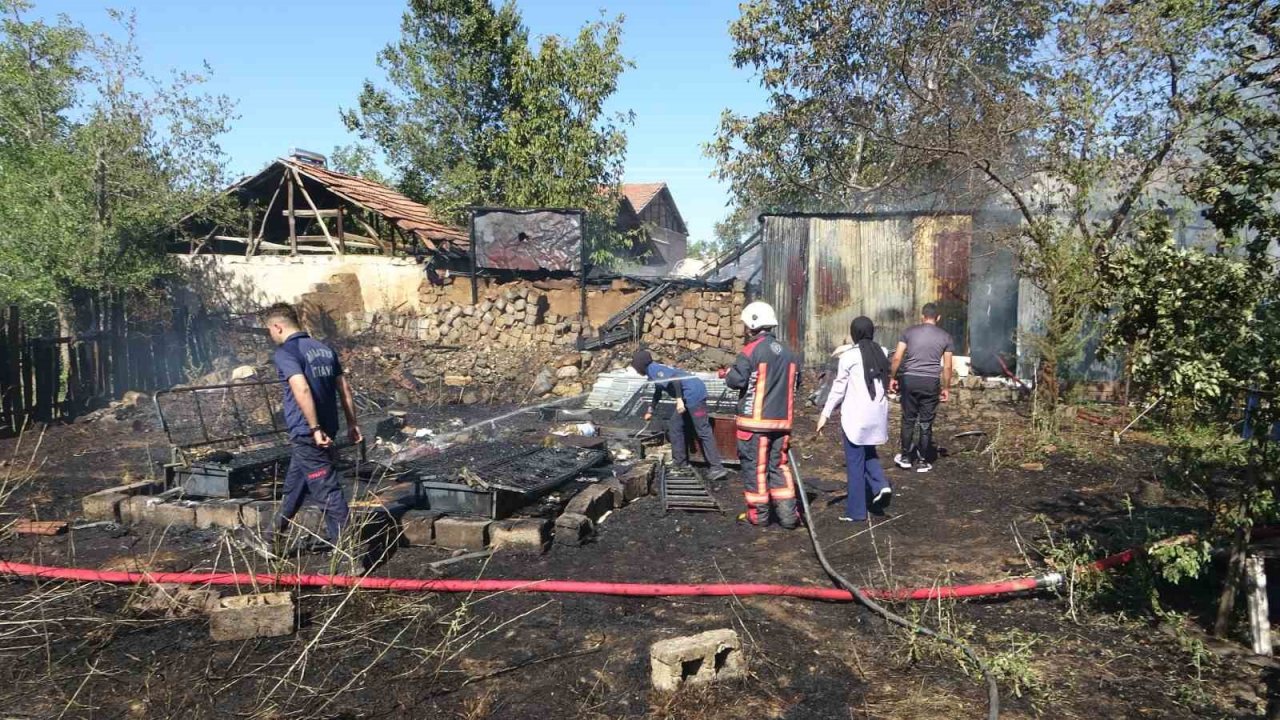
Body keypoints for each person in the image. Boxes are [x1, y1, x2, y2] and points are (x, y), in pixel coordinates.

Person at [261, 302, 363, 550]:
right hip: (327, 430)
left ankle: (348, 556)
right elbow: (344, 389)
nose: (271, 336)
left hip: (309, 433)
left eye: (270, 331)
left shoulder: (287, 352)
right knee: (296, 483)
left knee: (326, 489)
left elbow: (301, 387)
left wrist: (314, 428)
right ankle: (270, 537)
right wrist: (352, 424)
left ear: (277, 326)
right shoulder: (323, 349)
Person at [724, 301, 803, 529]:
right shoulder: (790, 354)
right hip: (782, 423)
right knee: (779, 467)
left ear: (752, 325)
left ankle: (759, 516)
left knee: (755, 469)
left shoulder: (751, 351)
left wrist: (728, 373)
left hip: (754, 424)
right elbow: (795, 383)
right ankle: (789, 517)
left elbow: (736, 380)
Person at [817, 317, 892, 522]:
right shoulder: (882, 352)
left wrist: (825, 414)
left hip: (856, 418)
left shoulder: (848, 357)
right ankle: (880, 484)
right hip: (878, 415)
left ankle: (856, 512)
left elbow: (838, 390)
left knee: (855, 463)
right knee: (869, 452)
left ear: (853, 334)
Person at [632, 349, 729, 482]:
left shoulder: (654, 369)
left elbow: (675, 380)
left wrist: (679, 401)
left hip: (693, 394)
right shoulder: (653, 371)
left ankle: (717, 468)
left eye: (636, 367)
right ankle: (681, 463)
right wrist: (651, 410)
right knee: (675, 426)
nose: (636, 371)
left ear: (640, 365)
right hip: (688, 394)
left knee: (703, 430)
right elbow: (658, 392)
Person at [889, 302, 954, 473]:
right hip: (931, 382)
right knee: (925, 423)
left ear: (922, 316)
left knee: (908, 419)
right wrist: (946, 388)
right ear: (938, 317)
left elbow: (896, 358)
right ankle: (923, 461)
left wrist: (892, 377)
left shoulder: (909, 332)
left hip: (909, 380)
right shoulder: (946, 336)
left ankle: (905, 457)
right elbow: (947, 367)